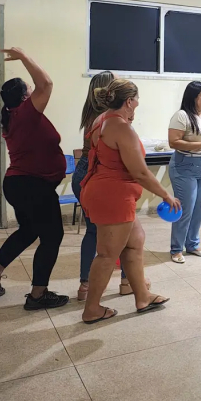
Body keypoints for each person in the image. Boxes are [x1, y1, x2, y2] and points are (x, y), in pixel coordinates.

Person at [0, 47, 70, 310]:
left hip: (19, 184)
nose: (34, 93)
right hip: (33, 186)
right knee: (52, 237)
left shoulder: (14, 116)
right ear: (25, 97)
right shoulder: (26, 114)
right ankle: (38, 295)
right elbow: (47, 83)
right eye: (29, 91)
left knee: (29, 231)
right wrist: (24, 56)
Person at [79, 79, 180, 324]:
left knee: (135, 242)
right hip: (113, 196)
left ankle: (142, 296)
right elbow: (141, 172)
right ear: (129, 101)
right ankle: (91, 308)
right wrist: (166, 195)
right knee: (106, 254)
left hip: (105, 190)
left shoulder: (101, 119)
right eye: (136, 99)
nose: (138, 103)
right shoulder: (120, 128)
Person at [74, 71, 147, 301]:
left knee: (106, 233)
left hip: (86, 174)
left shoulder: (93, 116)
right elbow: (131, 164)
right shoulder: (110, 119)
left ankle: (87, 286)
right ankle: (125, 283)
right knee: (119, 238)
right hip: (101, 178)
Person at [168, 81, 201, 263]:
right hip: (185, 166)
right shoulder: (181, 116)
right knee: (184, 209)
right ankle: (176, 248)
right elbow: (173, 142)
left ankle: (192, 244)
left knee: (200, 209)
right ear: (194, 97)